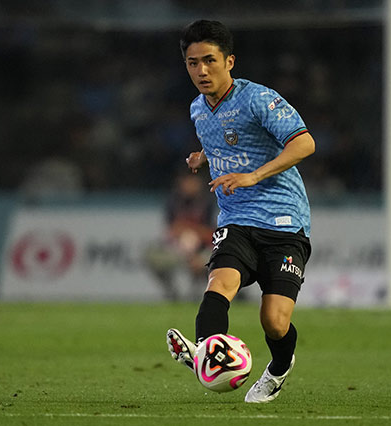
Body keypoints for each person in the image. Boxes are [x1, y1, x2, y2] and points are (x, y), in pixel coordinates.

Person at [166, 20, 315, 404]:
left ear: (229, 61)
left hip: (284, 220)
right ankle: (205, 352)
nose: (201, 70)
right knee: (219, 284)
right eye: (192, 63)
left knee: (274, 322)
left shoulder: (258, 99)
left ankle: (278, 368)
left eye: (209, 60)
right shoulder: (198, 108)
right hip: (236, 220)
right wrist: (204, 156)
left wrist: (254, 176)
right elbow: (222, 138)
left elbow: (304, 144)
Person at [145, 172, 215, 301]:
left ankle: (217, 293)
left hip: (203, 251)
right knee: (153, 256)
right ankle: (172, 293)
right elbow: (171, 231)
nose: (191, 185)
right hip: (178, 251)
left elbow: (210, 233)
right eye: (187, 181)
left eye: (194, 181)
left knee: (220, 258)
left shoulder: (207, 202)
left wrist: (188, 228)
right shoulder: (173, 201)